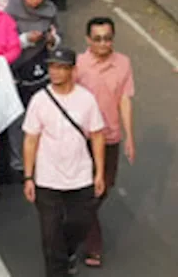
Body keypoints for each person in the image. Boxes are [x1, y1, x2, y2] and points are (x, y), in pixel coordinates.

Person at [21, 45, 106, 277]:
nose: (56, 72)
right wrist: (29, 176)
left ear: (72, 71)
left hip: (80, 176)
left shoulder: (86, 100)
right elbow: (30, 140)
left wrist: (99, 172)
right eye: (52, 67)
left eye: (61, 68)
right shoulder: (40, 100)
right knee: (50, 234)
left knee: (80, 223)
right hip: (47, 178)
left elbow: (97, 135)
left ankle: (67, 251)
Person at [75, 17, 134, 269]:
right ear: (88, 40)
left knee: (103, 188)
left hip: (110, 137)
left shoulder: (123, 64)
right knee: (87, 192)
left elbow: (124, 99)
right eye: (97, 39)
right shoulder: (78, 65)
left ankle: (75, 223)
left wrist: (130, 136)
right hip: (83, 138)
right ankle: (93, 246)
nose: (103, 44)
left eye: (108, 38)